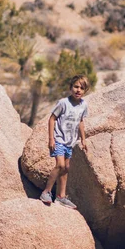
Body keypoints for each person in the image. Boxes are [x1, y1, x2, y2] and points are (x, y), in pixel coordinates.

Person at [40, 74, 89, 209]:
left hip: (70, 142)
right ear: (71, 87)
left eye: (82, 88)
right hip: (59, 140)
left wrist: (83, 139)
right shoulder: (63, 103)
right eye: (76, 87)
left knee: (66, 168)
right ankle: (46, 192)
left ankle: (61, 196)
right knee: (60, 165)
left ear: (85, 91)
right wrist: (51, 139)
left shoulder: (83, 105)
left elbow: (80, 122)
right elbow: (52, 119)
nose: (78, 90)